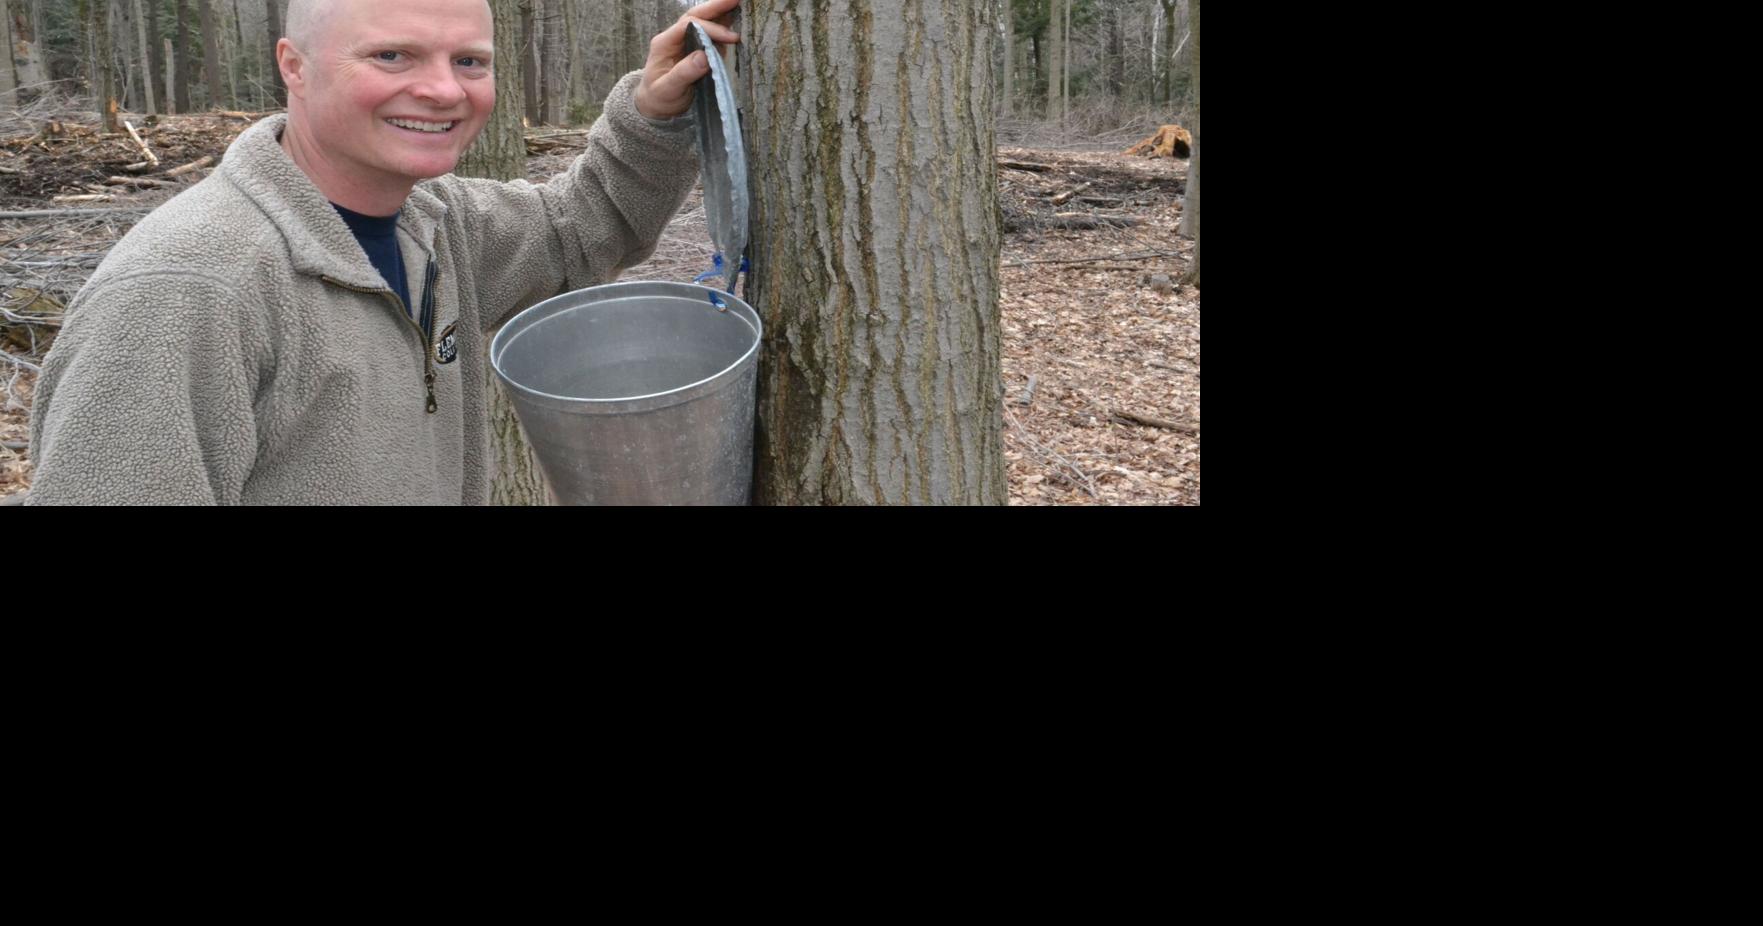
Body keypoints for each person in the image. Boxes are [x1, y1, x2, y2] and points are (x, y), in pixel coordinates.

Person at [26, 0, 741, 505]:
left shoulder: (431, 224)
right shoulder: (189, 288)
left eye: (469, 60)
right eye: (390, 55)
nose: (440, 89)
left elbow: (580, 227)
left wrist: (652, 114)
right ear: (293, 65)